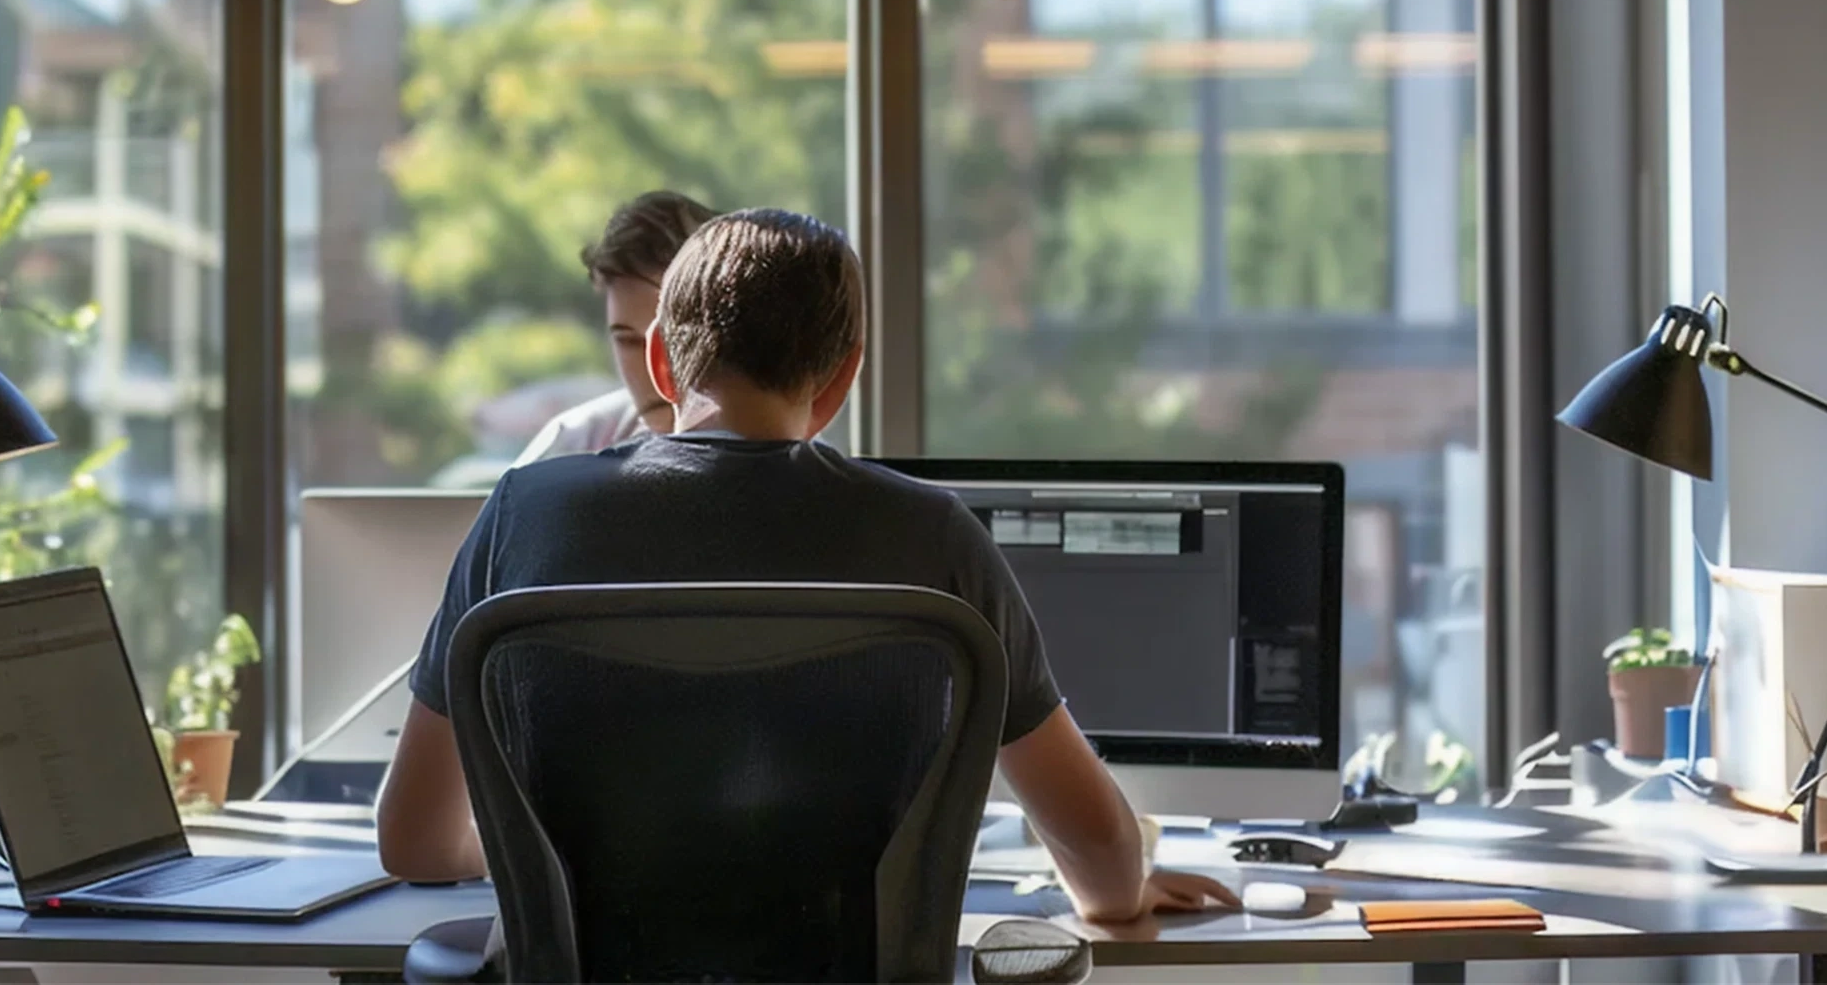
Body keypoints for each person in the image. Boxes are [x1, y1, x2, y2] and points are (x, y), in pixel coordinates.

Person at [375, 208, 1233, 925]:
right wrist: (1122, 898)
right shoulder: (929, 535)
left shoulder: (523, 512)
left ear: (665, 362)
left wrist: (547, 855)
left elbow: (412, 840)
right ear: (843, 378)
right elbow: (1096, 843)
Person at [510, 190, 719, 466]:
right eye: (628, 342)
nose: (655, 370)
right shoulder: (570, 449)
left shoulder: (784, 460)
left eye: (674, 341)